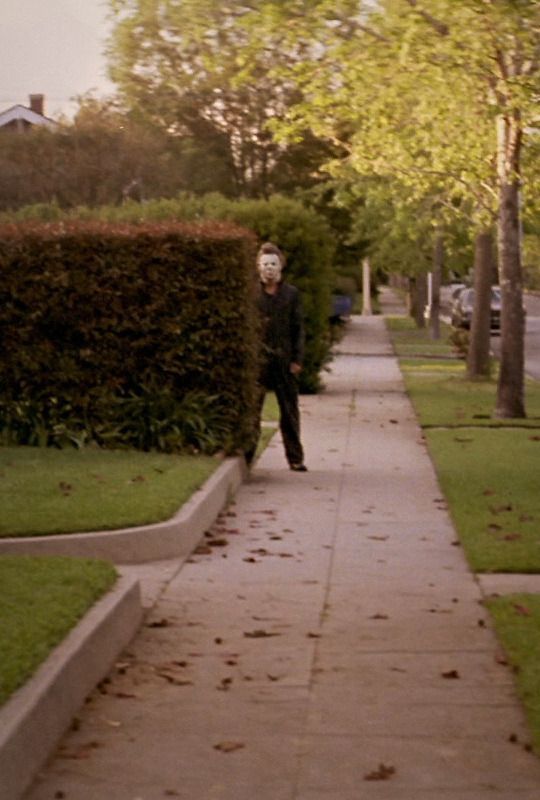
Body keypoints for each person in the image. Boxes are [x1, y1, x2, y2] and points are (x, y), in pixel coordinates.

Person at [250, 241, 307, 471]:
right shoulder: (252, 293)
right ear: (258, 266)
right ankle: (247, 453)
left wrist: (297, 359)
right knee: (253, 409)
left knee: (289, 411)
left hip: (284, 360)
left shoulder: (291, 294)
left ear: (280, 266)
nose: (269, 269)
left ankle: (295, 457)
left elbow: (298, 328)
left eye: (273, 264)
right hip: (259, 361)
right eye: (264, 264)